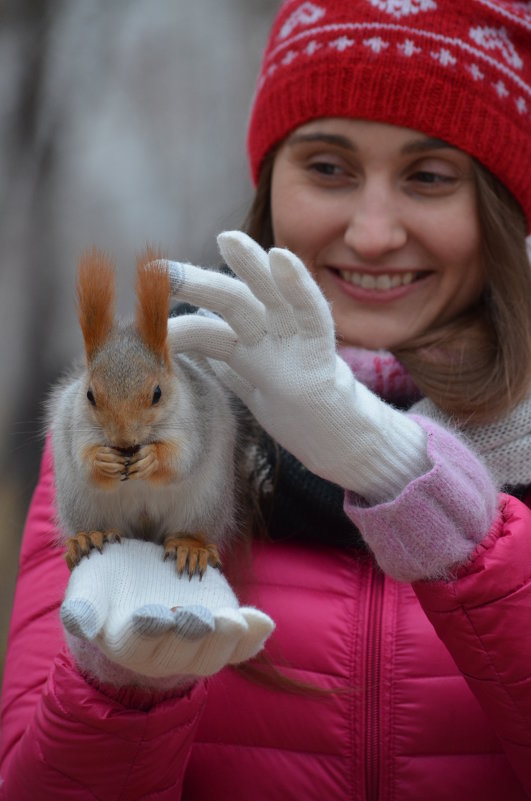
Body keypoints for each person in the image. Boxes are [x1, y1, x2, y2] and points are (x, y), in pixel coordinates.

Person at [1, 0, 531, 798]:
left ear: (499, 203)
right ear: (270, 181)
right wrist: (120, 688)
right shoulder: (141, 415)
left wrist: (394, 471)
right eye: (327, 167)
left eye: (429, 176)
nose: (374, 231)